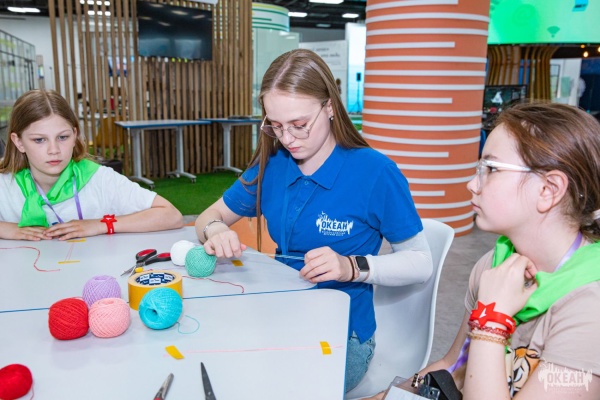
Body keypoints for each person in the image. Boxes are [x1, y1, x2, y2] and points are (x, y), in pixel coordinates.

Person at [194, 48, 433, 392]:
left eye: (299, 125)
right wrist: (215, 229)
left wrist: (351, 267)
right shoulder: (273, 163)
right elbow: (208, 216)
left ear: (330, 107)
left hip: (344, 335)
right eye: (276, 126)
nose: (287, 139)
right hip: (279, 313)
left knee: (275, 388)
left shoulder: (375, 172)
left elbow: (421, 262)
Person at [365, 102, 600, 400]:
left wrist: (492, 321)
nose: (472, 184)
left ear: (548, 190)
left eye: (491, 169)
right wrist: (383, 397)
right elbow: (453, 367)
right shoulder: (493, 264)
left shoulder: (590, 308)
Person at [0, 89, 184, 241]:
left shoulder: (99, 178)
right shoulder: (4, 183)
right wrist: (6, 229)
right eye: (39, 140)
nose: (54, 150)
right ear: (19, 142)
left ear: (75, 135)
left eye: (63, 137)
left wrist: (100, 224)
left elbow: (171, 215)